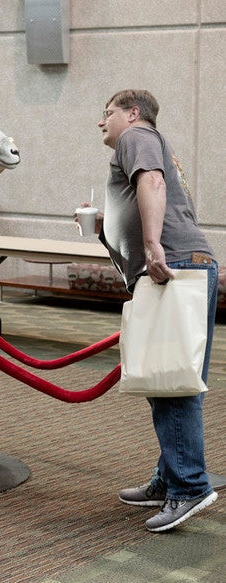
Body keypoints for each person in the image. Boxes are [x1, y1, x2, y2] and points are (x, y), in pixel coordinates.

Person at [93, 88, 218, 532]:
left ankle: (189, 487)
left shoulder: (137, 135)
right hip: (181, 264)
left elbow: (153, 182)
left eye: (107, 113)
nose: (100, 122)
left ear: (132, 112)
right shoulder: (143, 140)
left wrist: (151, 245)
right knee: (167, 377)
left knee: (173, 383)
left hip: (174, 266)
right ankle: (170, 480)